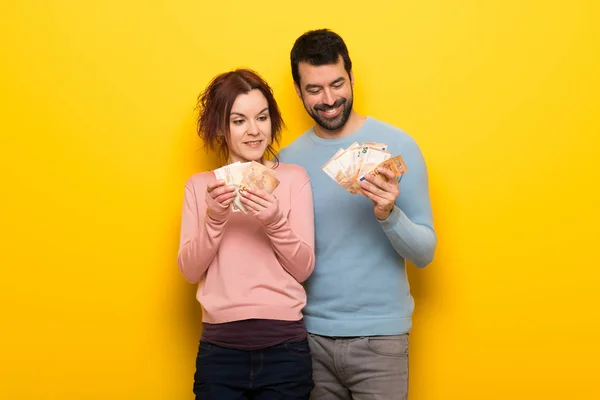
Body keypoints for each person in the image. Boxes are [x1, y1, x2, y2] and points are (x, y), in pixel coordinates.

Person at [277, 29, 437, 399]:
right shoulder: (286, 162)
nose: (330, 99)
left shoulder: (399, 145)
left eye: (338, 83)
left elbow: (426, 253)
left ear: (351, 77)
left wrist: (388, 214)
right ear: (298, 91)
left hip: (381, 339)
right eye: (314, 89)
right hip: (310, 339)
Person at [177, 68, 315, 399]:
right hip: (220, 351)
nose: (254, 131)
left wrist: (274, 220)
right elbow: (189, 269)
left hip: (285, 348)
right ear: (221, 129)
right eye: (239, 121)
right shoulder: (200, 187)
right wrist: (214, 219)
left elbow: (304, 267)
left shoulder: (294, 179)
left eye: (262, 118)